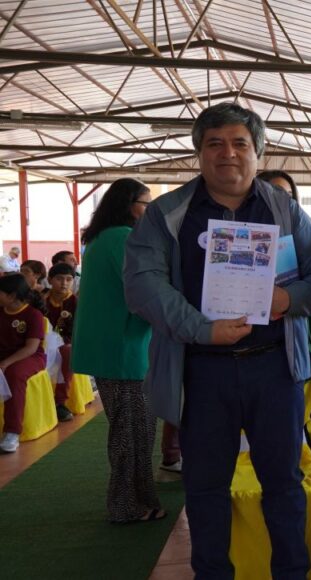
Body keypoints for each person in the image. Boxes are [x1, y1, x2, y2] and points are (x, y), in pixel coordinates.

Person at [124, 102, 311, 578]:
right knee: (205, 489)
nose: (228, 153)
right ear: (199, 153)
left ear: (258, 153)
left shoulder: (285, 210)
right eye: (214, 143)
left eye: (240, 143)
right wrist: (203, 328)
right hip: (202, 370)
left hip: (275, 368)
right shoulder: (167, 214)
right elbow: (142, 285)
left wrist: (289, 299)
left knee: (284, 484)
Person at [70, 177, 164, 523]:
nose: (149, 210)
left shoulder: (103, 238)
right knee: (131, 433)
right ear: (128, 205)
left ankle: (141, 500)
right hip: (122, 350)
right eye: (146, 204)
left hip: (120, 347)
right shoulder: (122, 238)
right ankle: (125, 506)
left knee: (137, 430)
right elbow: (143, 289)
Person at [257, 168, 311, 458]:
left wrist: (288, 300)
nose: (282, 200)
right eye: (274, 193)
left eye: (288, 195)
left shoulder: (303, 238)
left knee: (298, 426)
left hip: (300, 350)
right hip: (249, 352)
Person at [0, 274, 48, 454]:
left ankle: (12, 432)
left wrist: (5, 363)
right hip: (5, 357)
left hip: (30, 357)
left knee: (14, 374)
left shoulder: (33, 315)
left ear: (12, 296)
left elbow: (31, 348)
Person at [44, 262, 77, 422]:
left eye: (68, 279)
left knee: (68, 352)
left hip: (65, 343)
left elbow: (78, 329)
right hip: (40, 342)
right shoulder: (41, 298)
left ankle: (60, 402)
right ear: (50, 279)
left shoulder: (75, 302)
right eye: (59, 279)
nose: (64, 283)